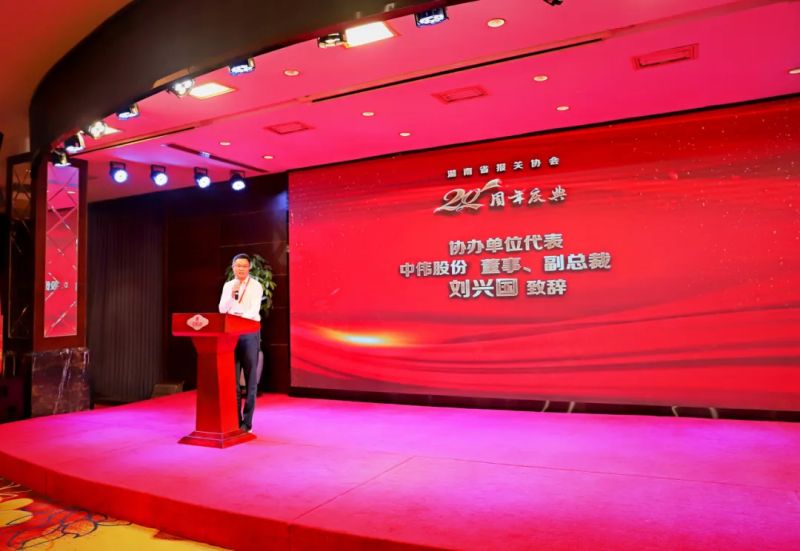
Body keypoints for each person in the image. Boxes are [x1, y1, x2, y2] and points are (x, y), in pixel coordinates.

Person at [218, 253, 263, 433]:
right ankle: (235, 420)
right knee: (233, 380)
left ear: (249, 267)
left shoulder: (256, 286)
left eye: (244, 266)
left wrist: (237, 317)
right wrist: (232, 295)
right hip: (231, 335)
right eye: (238, 266)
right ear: (233, 267)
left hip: (249, 332)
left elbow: (253, 311)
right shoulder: (229, 285)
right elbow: (222, 309)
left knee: (250, 379)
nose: (241, 269)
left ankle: (247, 423)